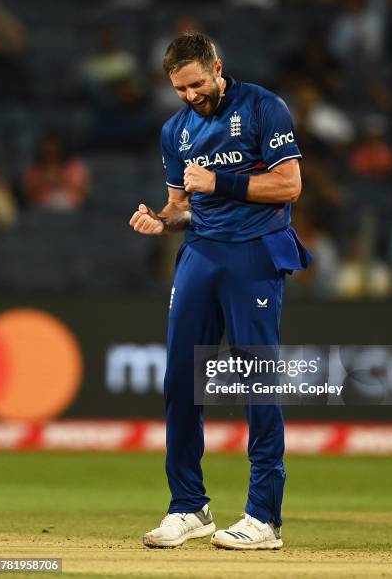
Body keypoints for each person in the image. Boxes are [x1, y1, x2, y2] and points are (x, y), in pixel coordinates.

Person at [129, 33, 311, 550]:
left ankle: (263, 517)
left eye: (197, 84)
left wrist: (220, 183)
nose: (190, 95)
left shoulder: (262, 107)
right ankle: (189, 506)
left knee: (257, 377)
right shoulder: (175, 130)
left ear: (217, 68)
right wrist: (159, 223)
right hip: (202, 254)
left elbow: (290, 185)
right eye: (180, 89)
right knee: (180, 378)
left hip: (255, 250)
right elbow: (181, 207)